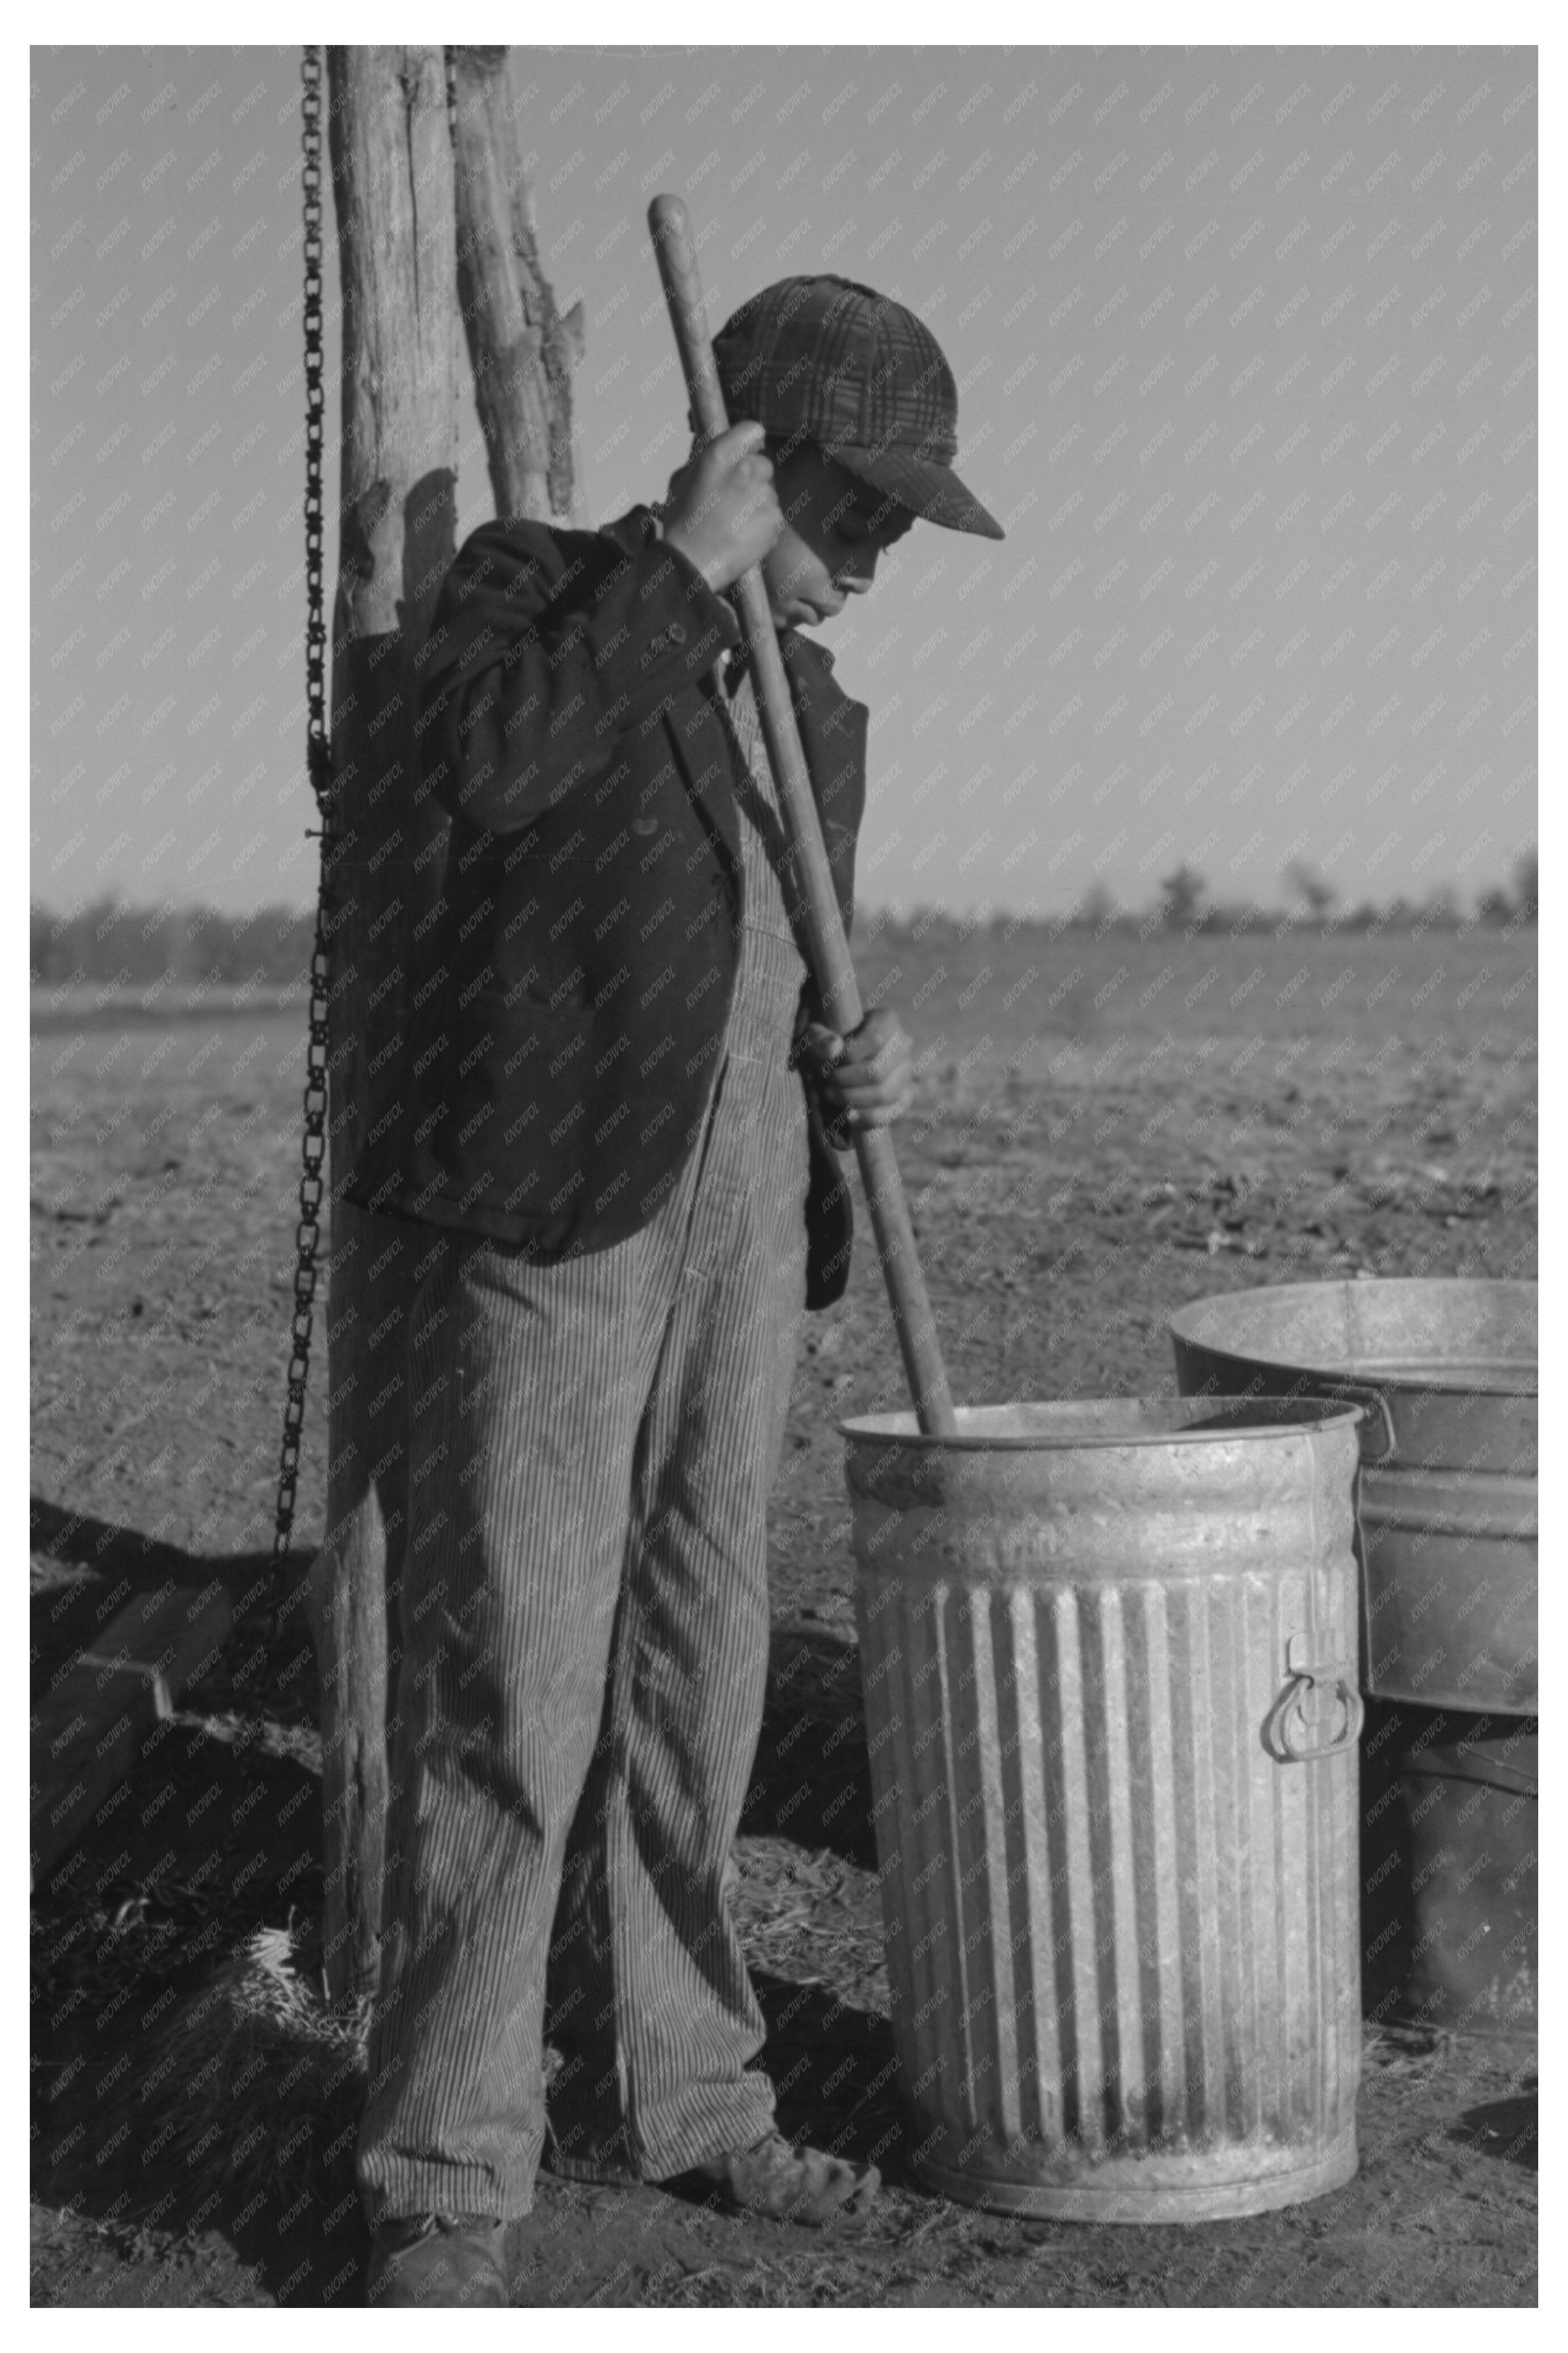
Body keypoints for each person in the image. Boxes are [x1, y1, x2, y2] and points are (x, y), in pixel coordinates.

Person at [348, 273, 1003, 2307]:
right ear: (757, 456)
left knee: (698, 1680)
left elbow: (789, 976)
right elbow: (467, 784)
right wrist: (670, 571)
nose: (876, 563)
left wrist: (850, 1067)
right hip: (552, 1212)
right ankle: (444, 2169)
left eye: (895, 527)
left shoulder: (817, 715)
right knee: (519, 1689)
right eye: (861, 514)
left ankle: (703, 2098)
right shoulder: (531, 596)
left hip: (735, 1219)